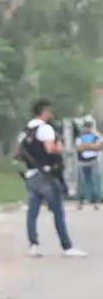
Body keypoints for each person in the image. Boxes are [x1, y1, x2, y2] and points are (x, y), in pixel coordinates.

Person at [17, 99, 87, 257]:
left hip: (31, 174)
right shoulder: (45, 129)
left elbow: (19, 152)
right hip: (47, 175)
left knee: (33, 212)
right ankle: (67, 247)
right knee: (58, 212)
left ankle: (33, 245)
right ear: (45, 111)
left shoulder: (26, 130)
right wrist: (59, 147)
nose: (51, 114)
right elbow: (50, 149)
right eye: (49, 111)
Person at [75, 118, 102, 209]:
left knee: (94, 181)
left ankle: (95, 201)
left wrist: (86, 146)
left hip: (93, 161)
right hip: (82, 162)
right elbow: (79, 148)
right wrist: (91, 146)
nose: (87, 129)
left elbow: (98, 147)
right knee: (82, 182)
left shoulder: (97, 136)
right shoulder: (79, 137)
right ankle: (80, 201)